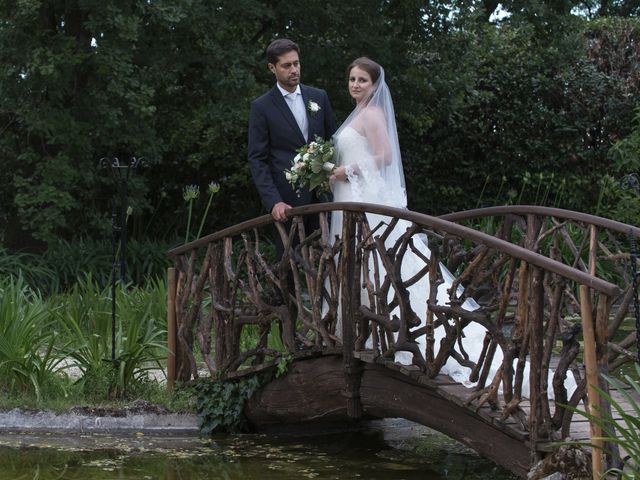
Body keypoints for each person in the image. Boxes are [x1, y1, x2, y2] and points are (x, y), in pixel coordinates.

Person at [328, 58, 576, 398]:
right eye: (352, 79)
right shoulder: (354, 115)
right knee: (365, 269)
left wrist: (348, 171)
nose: (355, 85)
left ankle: (403, 335)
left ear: (374, 85)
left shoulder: (371, 115)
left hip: (366, 206)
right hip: (350, 205)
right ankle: (367, 332)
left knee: (383, 266)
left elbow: (385, 156)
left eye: (362, 81)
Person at [248, 38, 336, 258]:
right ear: (272, 68)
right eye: (286, 65)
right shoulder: (262, 107)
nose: (294, 70)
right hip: (287, 202)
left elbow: (332, 141)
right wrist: (273, 201)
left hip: (323, 196)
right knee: (290, 262)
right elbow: (257, 158)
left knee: (331, 256)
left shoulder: (319, 97)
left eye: (296, 63)